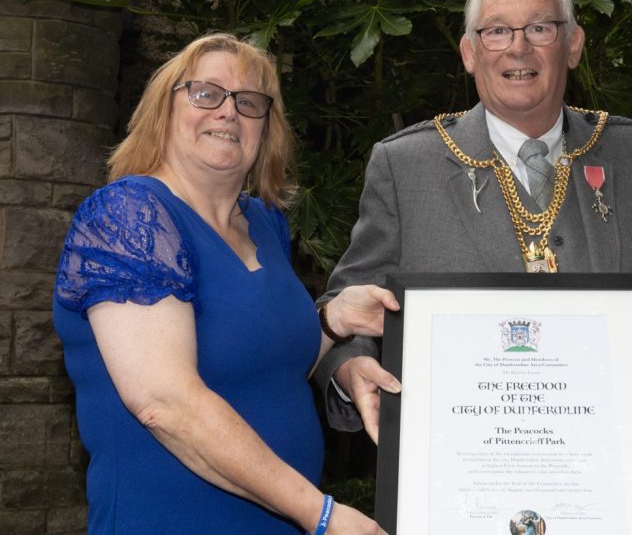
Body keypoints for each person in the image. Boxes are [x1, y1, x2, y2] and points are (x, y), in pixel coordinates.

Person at [312, 0, 632, 439]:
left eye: (540, 28)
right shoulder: (405, 166)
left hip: (625, 467)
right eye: (497, 31)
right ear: (469, 53)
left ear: (574, 45)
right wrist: (349, 364)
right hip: (465, 473)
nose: (519, 48)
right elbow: (348, 305)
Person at [52, 33, 395, 534]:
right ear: (162, 111)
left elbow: (262, 362)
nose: (229, 112)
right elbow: (165, 402)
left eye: (249, 102)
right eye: (205, 93)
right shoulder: (128, 216)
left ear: (266, 129)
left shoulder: (264, 223)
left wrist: (334, 320)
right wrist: (320, 514)